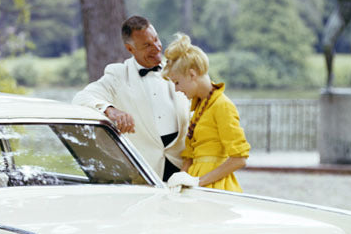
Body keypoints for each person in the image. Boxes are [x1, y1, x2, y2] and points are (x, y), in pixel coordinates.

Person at [73, 15, 189, 180]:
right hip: (144, 171)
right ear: (130, 49)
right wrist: (110, 110)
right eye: (147, 45)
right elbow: (82, 97)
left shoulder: (178, 68)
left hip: (183, 166)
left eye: (156, 39)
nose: (156, 47)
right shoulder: (117, 75)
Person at [162, 33, 250, 192]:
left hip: (214, 187)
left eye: (177, 82)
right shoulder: (200, 106)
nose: (176, 89)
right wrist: (180, 180)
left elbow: (240, 159)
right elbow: (190, 155)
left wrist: (198, 181)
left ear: (192, 74)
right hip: (194, 185)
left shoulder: (222, 105)